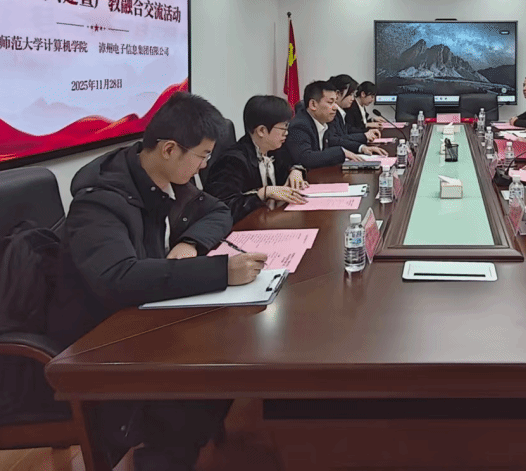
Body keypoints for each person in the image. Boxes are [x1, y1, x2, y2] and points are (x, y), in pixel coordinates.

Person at [48, 92, 268, 471]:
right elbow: (117, 278)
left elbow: (217, 211)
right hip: (103, 337)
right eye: (201, 156)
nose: (205, 166)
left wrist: (189, 243)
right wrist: (222, 272)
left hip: (147, 314)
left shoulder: (161, 177)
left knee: (227, 355)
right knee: (206, 377)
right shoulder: (100, 202)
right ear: (169, 149)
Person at [206, 95, 310, 222]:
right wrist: (263, 192)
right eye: (283, 128)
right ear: (261, 131)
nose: (286, 133)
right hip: (247, 227)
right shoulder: (232, 161)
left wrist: (295, 171)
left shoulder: (274, 150)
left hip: (272, 220)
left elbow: (292, 164)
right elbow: (225, 208)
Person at [285, 80, 387, 169]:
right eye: (330, 102)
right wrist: (341, 152)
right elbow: (306, 158)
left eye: (335, 102)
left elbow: (333, 141)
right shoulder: (300, 125)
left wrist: (361, 148)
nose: (335, 107)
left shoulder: (322, 122)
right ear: (313, 104)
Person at [329, 74, 381, 144]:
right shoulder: (333, 113)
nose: (352, 98)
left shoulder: (341, 112)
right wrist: (364, 136)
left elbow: (347, 130)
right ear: (337, 94)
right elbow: (337, 139)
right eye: (350, 94)